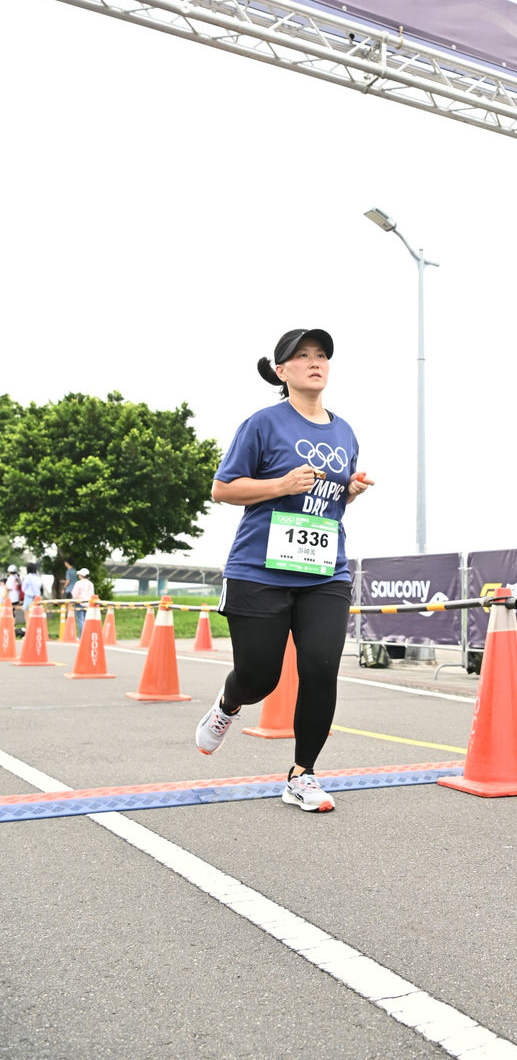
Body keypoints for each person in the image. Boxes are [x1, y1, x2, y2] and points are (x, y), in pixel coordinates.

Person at [195, 327, 373, 813]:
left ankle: (302, 775)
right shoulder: (262, 424)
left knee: (321, 668)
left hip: (324, 571)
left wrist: (349, 493)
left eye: (322, 355)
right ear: (281, 371)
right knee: (260, 678)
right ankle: (228, 704)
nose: (315, 362)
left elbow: (327, 503)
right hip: (260, 571)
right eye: (303, 356)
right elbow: (222, 489)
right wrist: (279, 485)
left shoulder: (345, 432)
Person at [70, 567, 94, 634]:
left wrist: (73, 601)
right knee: (87, 620)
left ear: (81, 575)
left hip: (79, 603)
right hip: (88, 603)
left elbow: (74, 593)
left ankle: (82, 636)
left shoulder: (78, 583)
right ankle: (87, 634)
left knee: (81, 620)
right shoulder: (90, 584)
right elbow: (92, 594)